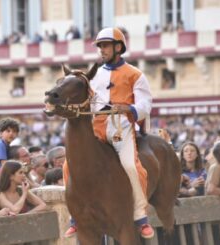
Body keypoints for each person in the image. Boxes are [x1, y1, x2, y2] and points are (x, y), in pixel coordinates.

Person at [64, 27, 153, 239]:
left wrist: (130, 109)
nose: (101, 50)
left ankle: (140, 217)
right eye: (100, 46)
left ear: (118, 47)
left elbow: (146, 104)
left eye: (105, 46)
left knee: (131, 166)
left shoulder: (135, 74)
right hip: (96, 127)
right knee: (69, 165)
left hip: (121, 127)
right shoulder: (93, 75)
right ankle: (76, 217)